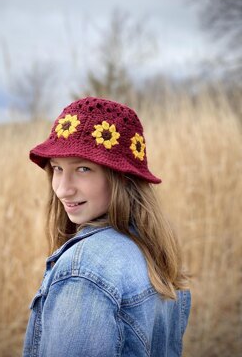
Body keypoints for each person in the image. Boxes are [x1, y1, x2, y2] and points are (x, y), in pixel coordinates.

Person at [23, 96, 191, 357]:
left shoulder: (84, 271)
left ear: (121, 178)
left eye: (83, 168)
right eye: (57, 168)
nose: (62, 189)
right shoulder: (153, 251)